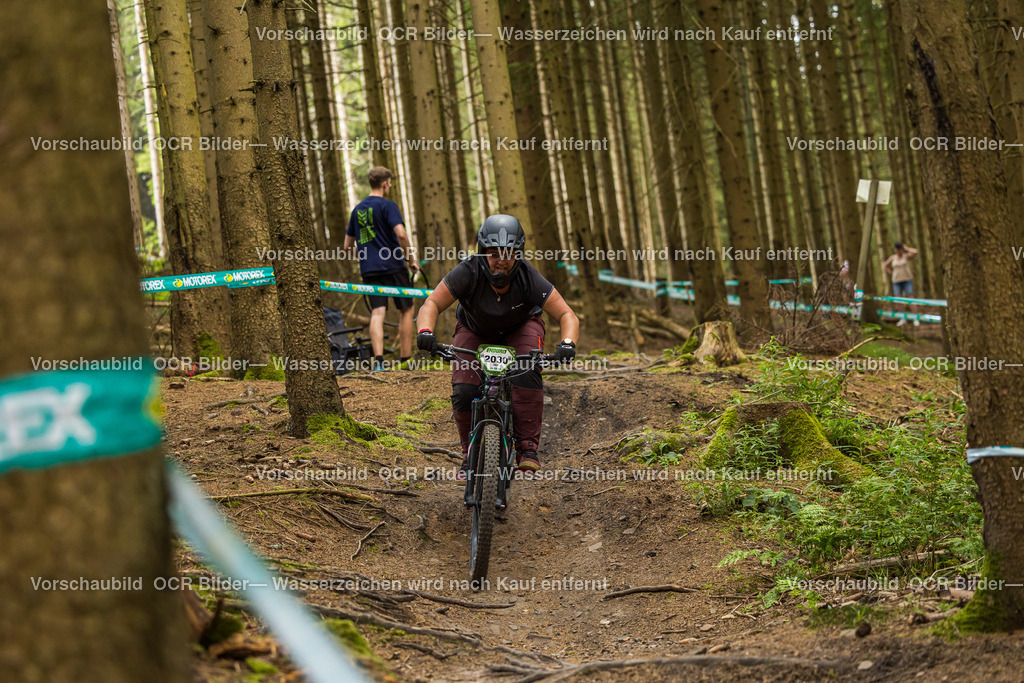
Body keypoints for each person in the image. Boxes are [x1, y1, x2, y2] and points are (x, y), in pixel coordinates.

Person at [415, 215, 579, 477]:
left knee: (526, 371)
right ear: (482, 253)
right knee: (465, 388)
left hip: (522, 327)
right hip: (474, 329)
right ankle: (469, 454)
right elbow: (431, 304)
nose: (502, 261)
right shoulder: (467, 271)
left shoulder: (528, 277)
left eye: (509, 254)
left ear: (518, 254)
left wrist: (568, 343)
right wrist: (425, 331)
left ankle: (527, 449)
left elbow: (567, 315)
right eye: (494, 254)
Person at [344, 166, 418, 368]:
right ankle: (405, 359)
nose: (390, 186)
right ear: (385, 183)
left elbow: (347, 246)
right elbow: (401, 234)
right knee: (407, 309)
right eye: (390, 183)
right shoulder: (388, 206)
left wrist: (365, 257)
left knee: (378, 311)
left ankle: (378, 361)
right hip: (394, 265)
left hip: (370, 269)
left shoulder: (357, 209)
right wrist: (411, 259)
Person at [882, 242, 919, 326]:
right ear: (895, 249)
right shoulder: (893, 258)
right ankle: (903, 318)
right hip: (896, 281)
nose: (898, 250)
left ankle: (915, 318)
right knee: (898, 300)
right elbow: (884, 265)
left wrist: (907, 248)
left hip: (907, 280)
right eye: (897, 249)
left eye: (900, 249)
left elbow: (915, 252)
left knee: (910, 299)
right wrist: (891, 272)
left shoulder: (906, 256)